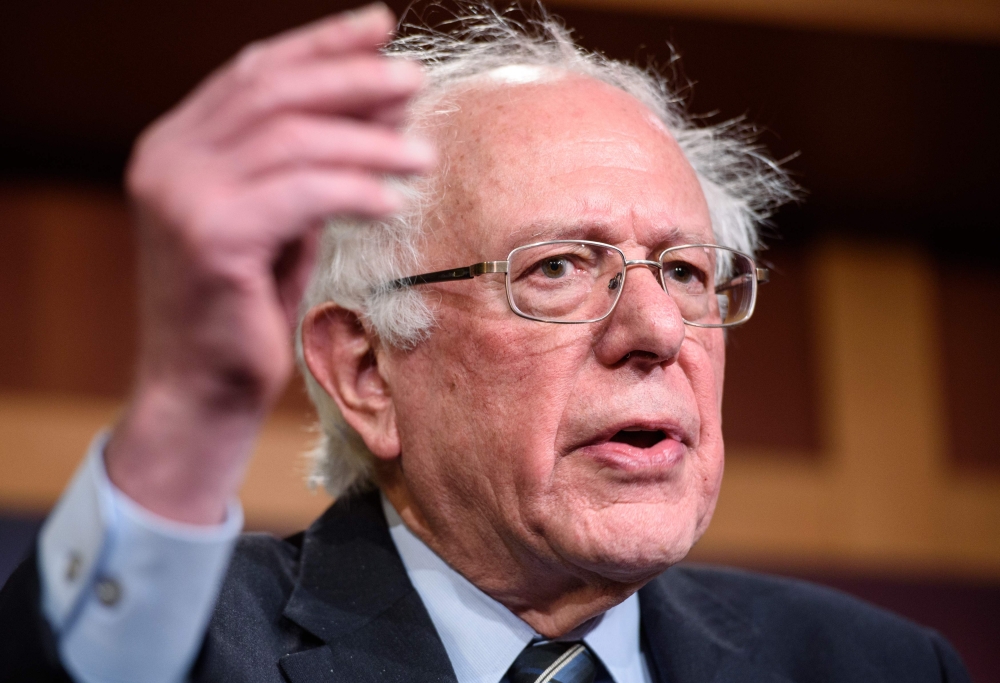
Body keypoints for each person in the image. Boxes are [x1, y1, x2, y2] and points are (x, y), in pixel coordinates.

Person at [0, 4, 971, 682]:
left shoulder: (875, 665)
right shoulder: (189, 646)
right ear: (366, 371)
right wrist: (188, 412)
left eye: (682, 269)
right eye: (555, 267)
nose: (657, 330)